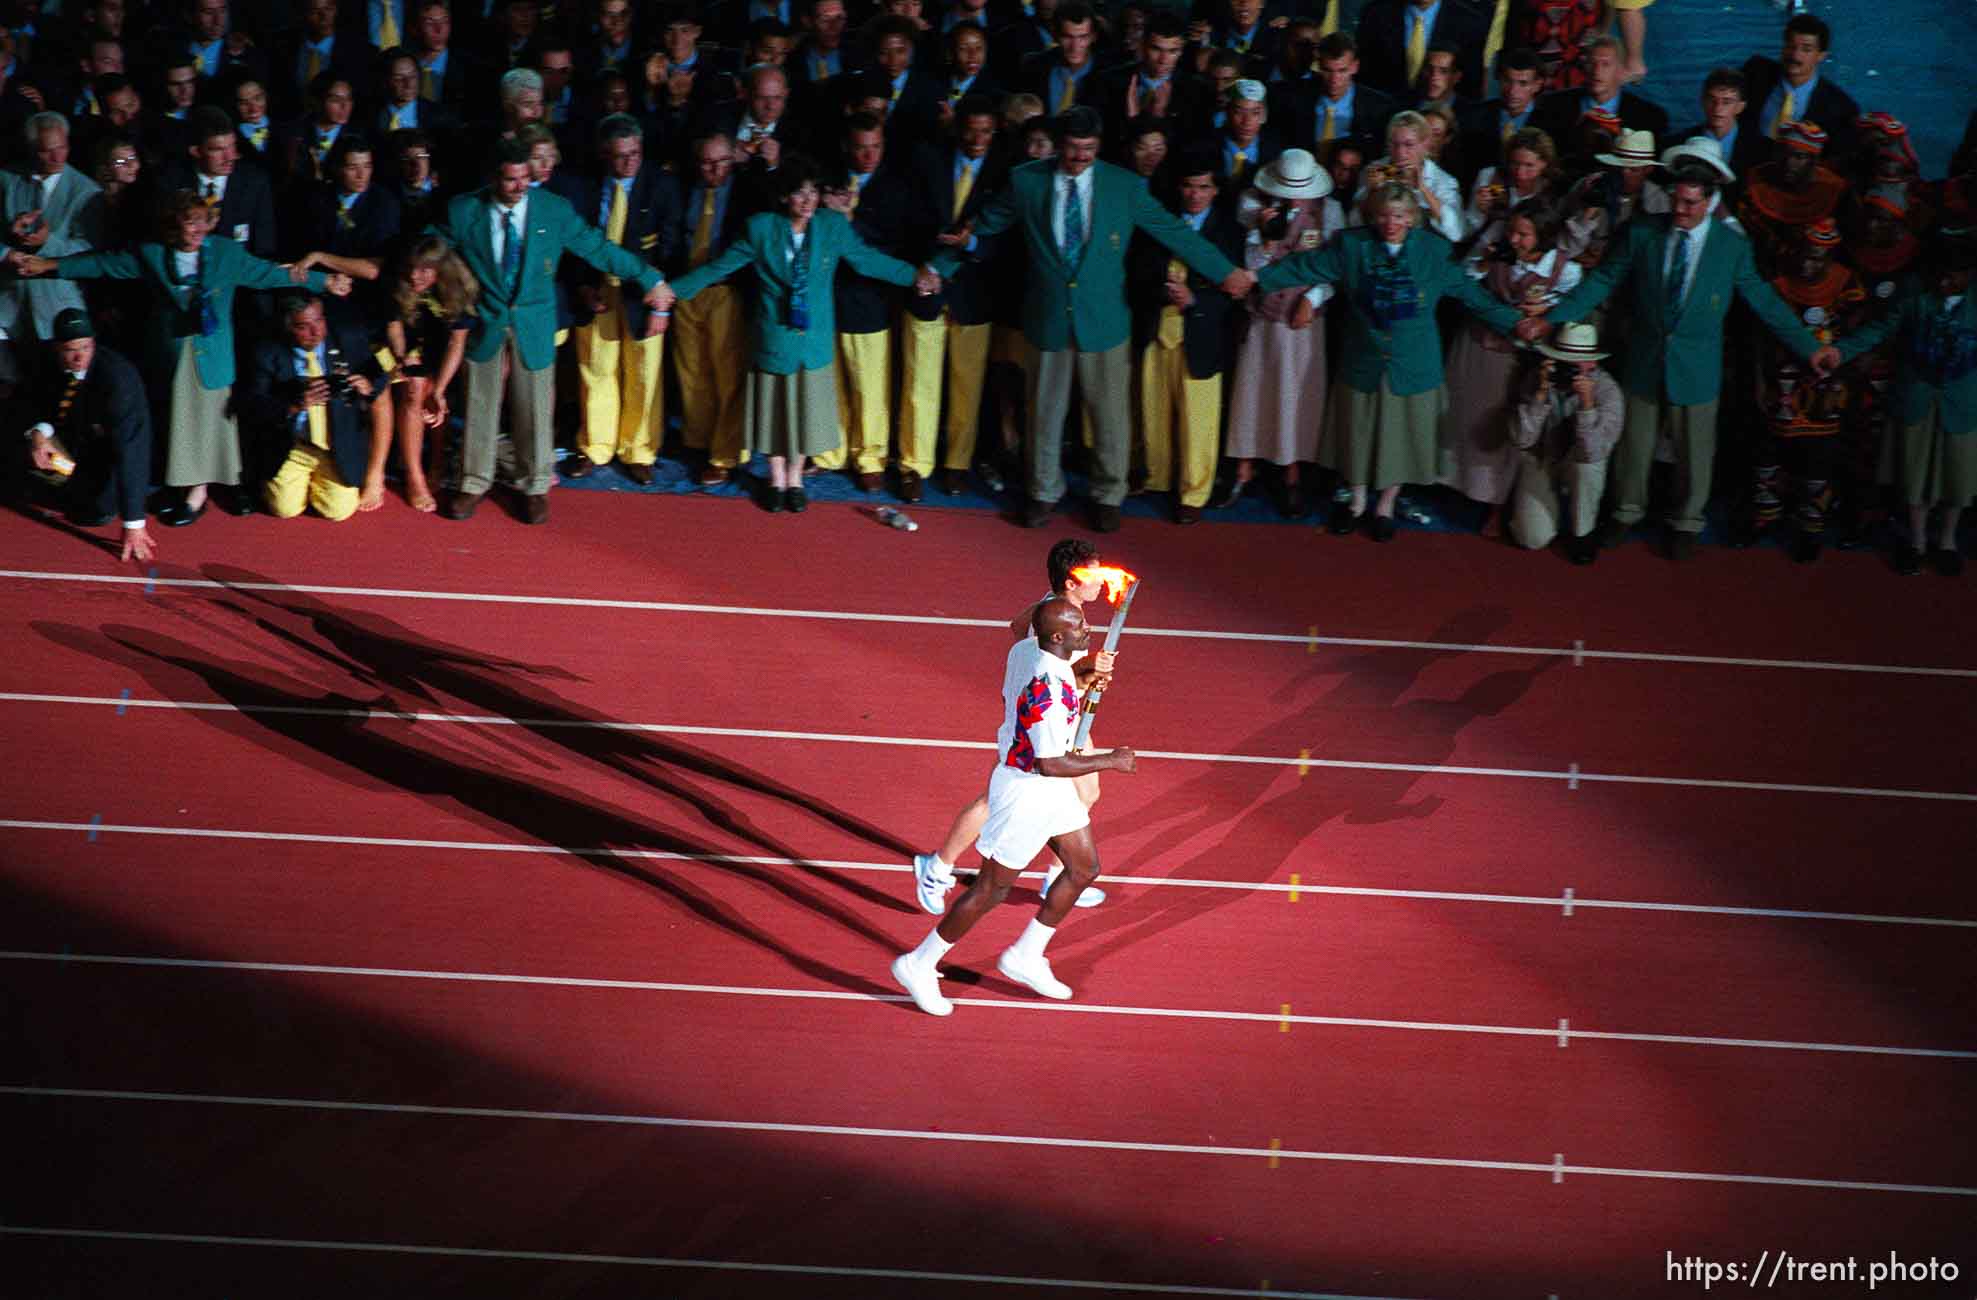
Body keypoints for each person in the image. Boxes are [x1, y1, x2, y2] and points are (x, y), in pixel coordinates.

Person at [927, 106, 1250, 533]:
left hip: (1106, 320)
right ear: (1060, 144)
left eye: (1089, 149)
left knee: (1110, 415)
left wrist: (1225, 271)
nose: (1080, 157)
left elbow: (1175, 233)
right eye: (1074, 148)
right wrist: (936, 268)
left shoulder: (1125, 186)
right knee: (1043, 412)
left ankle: (1108, 494)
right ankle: (1042, 492)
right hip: (1046, 317)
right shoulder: (1027, 180)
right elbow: (982, 228)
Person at [1540, 161, 1841, 560]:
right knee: (1633, 447)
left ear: (1710, 202)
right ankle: (1627, 512)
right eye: (1675, 200)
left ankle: (1686, 522)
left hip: (1698, 368)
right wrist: (1552, 318)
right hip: (1645, 360)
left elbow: (1764, 301)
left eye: (1689, 203)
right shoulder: (1645, 232)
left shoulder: (1731, 246)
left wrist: (1809, 346)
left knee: (1695, 454)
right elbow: (1603, 280)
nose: (1679, 209)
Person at [20, 191, 349, 526]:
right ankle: (181, 485)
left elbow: (271, 274)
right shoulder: (152, 254)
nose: (194, 230)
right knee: (175, 421)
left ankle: (198, 493)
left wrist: (326, 282)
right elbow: (102, 264)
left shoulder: (225, 253)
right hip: (171, 354)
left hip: (213, 356)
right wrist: (49, 265)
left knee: (210, 423)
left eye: (199, 222)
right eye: (186, 223)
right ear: (172, 226)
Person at [893, 595, 1136, 1016]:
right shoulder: (1046, 686)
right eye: (1079, 626)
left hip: (1048, 789)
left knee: (1083, 868)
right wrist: (1111, 760)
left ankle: (1026, 955)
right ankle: (919, 962)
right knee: (992, 889)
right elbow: (1050, 762)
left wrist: (1082, 679)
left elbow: (1062, 692)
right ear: (1058, 636)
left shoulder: (1044, 660)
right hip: (1027, 791)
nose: (1087, 630)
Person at [667, 156, 935, 513]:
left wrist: (913, 276)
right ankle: (776, 478)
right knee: (775, 413)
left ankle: (796, 478)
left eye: (812, 192)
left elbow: (866, 259)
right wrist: (670, 290)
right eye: (798, 193)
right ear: (783, 198)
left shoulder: (831, 226)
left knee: (806, 412)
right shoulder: (761, 228)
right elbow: (719, 267)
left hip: (814, 339)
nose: (808, 200)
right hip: (773, 335)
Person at [1257, 181, 1525, 540]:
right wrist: (1255, 278)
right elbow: (1306, 266)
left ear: (1412, 218)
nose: (1390, 222)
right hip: (1363, 359)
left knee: (1400, 438)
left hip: (1413, 364)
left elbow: (1472, 295)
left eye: (1399, 215)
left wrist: (1518, 323)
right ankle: (1355, 502)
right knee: (1358, 432)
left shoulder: (1433, 251)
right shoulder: (1353, 245)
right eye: (1383, 215)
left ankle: (1384, 506)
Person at [425, 138, 672, 525]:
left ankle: (535, 484)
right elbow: (428, 251)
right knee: (478, 403)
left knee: (535, 407)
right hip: (485, 320)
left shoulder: (553, 210)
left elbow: (598, 248)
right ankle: (472, 482)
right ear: (493, 179)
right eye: (510, 180)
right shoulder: (463, 211)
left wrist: (647, 276)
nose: (520, 186)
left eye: (525, 178)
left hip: (535, 323)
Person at [913, 538, 1118, 914]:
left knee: (1085, 792)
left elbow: (1017, 625)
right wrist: (1090, 672)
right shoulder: (1064, 624)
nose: (1102, 580)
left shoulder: (1050, 607)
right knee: (996, 801)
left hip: (1059, 720)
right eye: (1094, 574)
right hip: (1038, 725)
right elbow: (1057, 686)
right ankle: (937, 867)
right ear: (1072, 581)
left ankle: (1057, 875)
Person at [1837, 235, 1976, 577]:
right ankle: (1916, 543)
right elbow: (1880, 329)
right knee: (1914, 474)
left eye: (1953, 276)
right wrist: (1841, 351)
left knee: (1958, 476)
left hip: (1963, 404)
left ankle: (1946, 542)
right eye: (1940, 275)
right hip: (1916, 397)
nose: (1944, 283)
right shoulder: (1915, 295)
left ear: (1970, 274)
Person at [1443, 196, 1581, 535]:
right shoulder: (1498, 253)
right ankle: (1456, 488)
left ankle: (1495, 504)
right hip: (1477, 348)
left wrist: (1546, 314)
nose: (1514, 240)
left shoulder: (1565, 269)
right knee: (1462, 419)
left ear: (1544, 236)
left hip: (1518, 360)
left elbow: (1570, 307)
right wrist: (1484, 265)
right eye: (1512, 233)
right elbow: (1462, 280)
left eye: (1524, 235)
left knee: (1502, 432)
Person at [1732, 217, 1866, 561]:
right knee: (1766, 452)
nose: (1807, 264)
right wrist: (1761, 382)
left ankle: (1811, 527)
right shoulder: (1778, 286)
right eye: (1804, 256)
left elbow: (1855, 338)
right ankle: (1766, 515)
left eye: (1817, 259)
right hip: (1781, 382)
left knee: (1818, 461)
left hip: (1825, 388)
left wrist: (1842, 382)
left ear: (1831, 259)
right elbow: (1761, 338)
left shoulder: (1847, 285)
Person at [1221, 148, 1341, 518]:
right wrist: (1264, 236)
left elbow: (1335, 265)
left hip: (1302, 318)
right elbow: (1249, 265)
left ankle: (1290, 472)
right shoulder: (1252, 206)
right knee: (1253, 391)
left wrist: (1315, 297)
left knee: (1294, 396)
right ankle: (1243, 468)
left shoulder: (1329, 212)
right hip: (1264, 313)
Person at [897, 96, 1007, 498]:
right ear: (957, 128)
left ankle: (956, 464)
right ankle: (913, 465)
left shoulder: (1005, 170)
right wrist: (928, 266)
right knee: (919, 383)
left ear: (995, 131)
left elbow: (1005, 238)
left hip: (974, 295)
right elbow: (907, 219)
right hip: (926, 286)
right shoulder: (928, 160)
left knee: (967, 387)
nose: (977, 138)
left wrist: (972, 245)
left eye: (986, 131)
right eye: (971, 129)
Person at [563, 115, 681, 486]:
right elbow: (571, 244)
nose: (629, 162)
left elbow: (671, 245)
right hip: (597, 292)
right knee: (596, 369)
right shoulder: (583, 187)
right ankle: (595, 447)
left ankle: (639, 450)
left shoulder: (661, 186)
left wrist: (661, 301)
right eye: (620, 155)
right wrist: (582, 287)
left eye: (635, 153)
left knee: (644, 373)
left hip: (642, 295)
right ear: (604, 154)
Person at [1133, 152, 1243, 525]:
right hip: (1156, 330)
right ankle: (1158, 479)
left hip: (1201, 333)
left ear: (1215, 191)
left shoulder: (1230, 231)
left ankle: (1193, 492)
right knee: (1154, 411)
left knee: (1199, 419)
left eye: (1203, 187)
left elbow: (1235, 293)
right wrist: (1160, 289)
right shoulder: (1158, 224)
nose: (1195, 195)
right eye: (1189, 187)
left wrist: (1196, 300)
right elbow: (1136, 271)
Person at [17, 307, 156, 562]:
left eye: (85, 347)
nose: (79, 357)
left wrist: (134, 523)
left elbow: (131, 450)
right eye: (70, 350)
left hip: (111, 449)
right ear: (57, 348)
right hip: (72, 437)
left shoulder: (117, 379)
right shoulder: (43, 359)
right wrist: (38, 434)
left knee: (95, 513)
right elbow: (31, 402)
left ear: (94, 344)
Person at [239, 293, 383, 522]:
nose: (315, 332)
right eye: (303, 326)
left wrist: (368, 385)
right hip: (294, 447)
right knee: (284, 510)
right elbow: (253, 405)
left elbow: (379, 374)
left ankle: (319, 483)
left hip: (336, 446)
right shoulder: (267, 352)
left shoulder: (346, 338)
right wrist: (295, 405)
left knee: (339, 512)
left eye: (318, 321)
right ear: (288, 328)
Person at [366, 236, 476, 512]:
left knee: (435, 397)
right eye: (412, 268)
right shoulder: (397, 283)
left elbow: (456, 343)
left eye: (425, 270)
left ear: (441, 270)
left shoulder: (458, 289)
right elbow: (394, 329)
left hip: (442, 350)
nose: (415, 276)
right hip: (403, 345)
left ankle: (437, 462)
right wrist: (404, 359)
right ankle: (415, 476)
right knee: (415, 388)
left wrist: (439, 389)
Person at [1, 113, 102, 392]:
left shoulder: (87, 192)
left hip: (58, 312)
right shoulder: (8, 180)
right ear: (32, 149)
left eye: (62, 147)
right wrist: (7, 249)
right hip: (9, 308)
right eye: (47, 150)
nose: (58, 156)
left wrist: (47, 244)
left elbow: (89, 251)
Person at [1506, 320, 1622, 561]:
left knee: (1588, 465)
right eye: (1563, 359)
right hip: (1543, 458)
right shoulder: (1539, 379)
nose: (1567, 368)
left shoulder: (1608, 392)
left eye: (1575, 363)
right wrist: (1539, 396)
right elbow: (1521, 439)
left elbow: (1592, 452)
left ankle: (1583, 532)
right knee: (1532, 539)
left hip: (1580, 461)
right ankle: (1540, 511)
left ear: (1592, 363)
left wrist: (1587, 406)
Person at [1738, 13, 1859, 166]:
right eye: (1791, 46)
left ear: (1821, 56)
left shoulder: (1840, 108)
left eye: (1806, 49)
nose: (1795, 55)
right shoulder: (1755, 73)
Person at [1351, 110, 1462, 242]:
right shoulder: (1374, 170)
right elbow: (1353, 223)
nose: (1400, 153)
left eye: (1408, 145)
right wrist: (1371, 191)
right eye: (1394, 144)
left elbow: (1456, 233)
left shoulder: (1444, 181)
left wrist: (1423, 190)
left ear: (1425, 144)